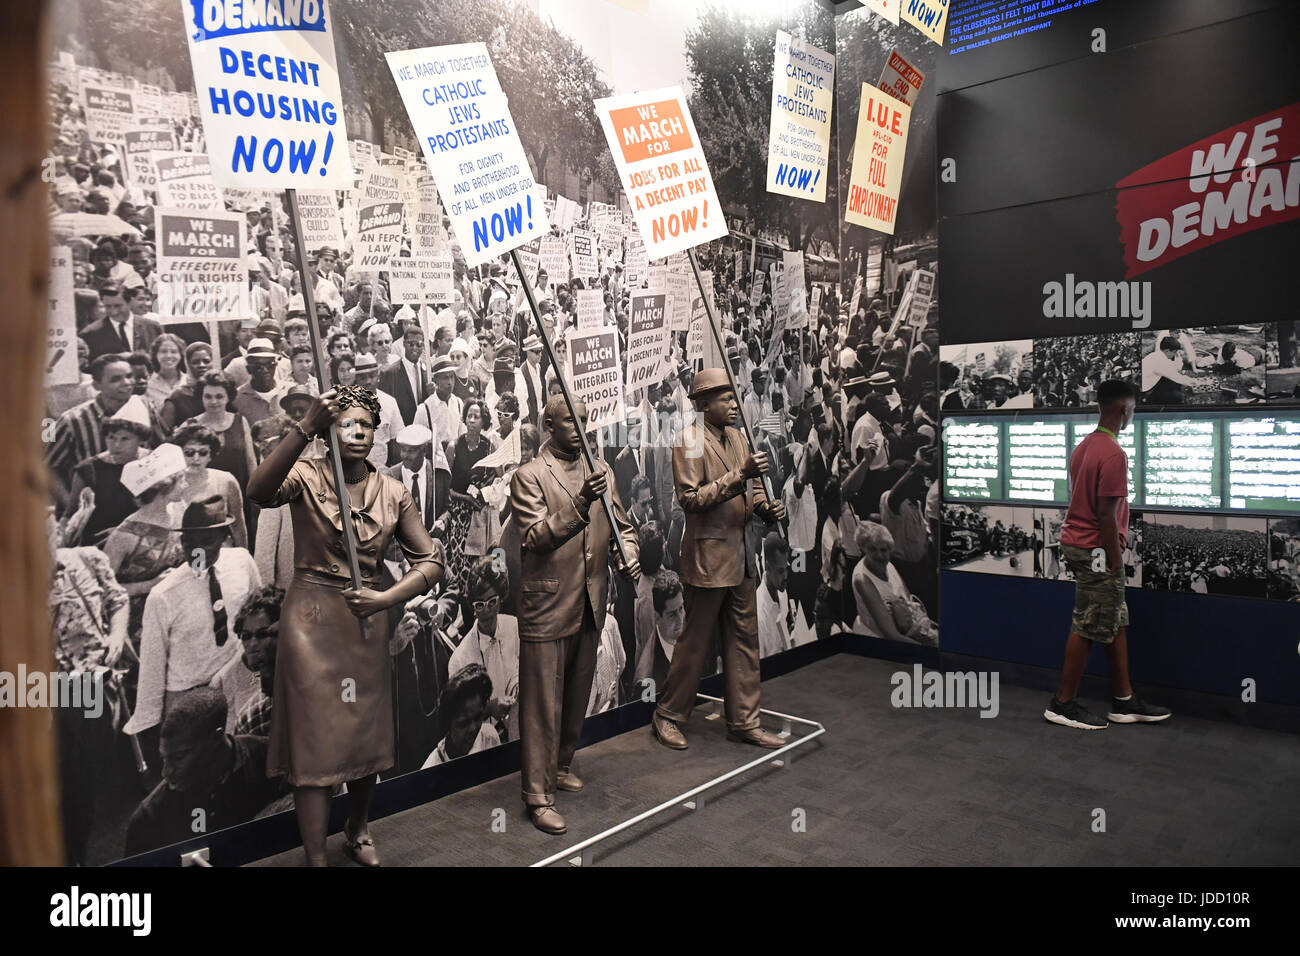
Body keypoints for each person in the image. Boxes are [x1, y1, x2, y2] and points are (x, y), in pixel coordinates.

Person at [246, 384, 445, 867]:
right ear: (329, 431)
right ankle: (315, 856)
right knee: (315, 746)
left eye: (365, 425)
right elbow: (257, 491)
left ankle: (357, 828)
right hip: (310, 624)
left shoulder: (393, 492)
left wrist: (385, 598)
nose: (356, 432)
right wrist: (303, 428)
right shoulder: (307, 476)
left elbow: (431, 561)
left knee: (363, 736)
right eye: (344, 424)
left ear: (377, 434)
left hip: (366, 623)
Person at [510, 396, 640, 834]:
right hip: (547, 604)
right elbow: (537, 537)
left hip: (590, 600)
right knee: (542, 704)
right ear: (548, 424)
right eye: (571, 421)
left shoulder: (600, 471)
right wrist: (582, 500)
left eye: (585, 420)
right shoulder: (527, 477)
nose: (581, 427)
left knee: (577, 696)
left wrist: (631, 554)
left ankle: (561, 765)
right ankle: (537, 794)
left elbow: (623, 526)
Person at [651, 368, 786, 751]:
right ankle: (668, 714)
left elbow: (754, 490)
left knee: (745, 641)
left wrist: (765, 507)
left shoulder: (741, 438)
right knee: (695, 643)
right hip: (708, 559)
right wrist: (737, 477)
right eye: (725, 398)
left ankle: (744, 721)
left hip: (742, 556)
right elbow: (690, 501)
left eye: (732, 397)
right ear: (703, 404)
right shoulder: (688, 441)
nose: (733, 404)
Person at [1046, 380, 1171, 729]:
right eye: (1133, 409)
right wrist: (1116, 562)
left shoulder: (1085, 445)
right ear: (1124, 410)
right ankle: (1062, 703)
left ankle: (1124, 699)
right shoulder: (1114, 453)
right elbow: (1105, 515)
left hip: (1081, 543)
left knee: (1113, 617)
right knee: (1088, 623)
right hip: (1096, 549)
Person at [123, 687, 287, 858]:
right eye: (164, 758)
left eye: (178, 757)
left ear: (216, 739)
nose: (166, 772)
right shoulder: (149, 820)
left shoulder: (277, 762)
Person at [171, 422, 249, 550]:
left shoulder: (226, 480)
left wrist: (243, 556)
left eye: (203, 452)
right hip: (181, 552)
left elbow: (238, 527)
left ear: (210, 455)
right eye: (189, 452)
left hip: (219, 551)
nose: (196, 458)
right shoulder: (170, 483)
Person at [181, 371, 257, 494]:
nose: (213, 401)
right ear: (201, 397)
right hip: (202, 496)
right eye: (208, 396)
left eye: (219, 396)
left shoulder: (241, 422)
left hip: (238, 492)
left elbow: (251, 462)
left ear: (228, 397)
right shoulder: (190, 425)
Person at [420, 664, 499, 767]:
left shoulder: (489, 737)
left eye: (478, 717)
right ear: (448, 725)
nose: (472, 728)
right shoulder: (431, 768)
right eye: (463, 723)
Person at [1141, 335, 1197, 405]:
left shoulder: (1156, 355)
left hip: (1146, 383)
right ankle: (1148, 401)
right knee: (1177, 396)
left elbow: (1173, 369)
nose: (1175, 355)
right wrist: (1194, 382)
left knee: (1174, 384)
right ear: (1167, 351)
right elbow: (1177, 377)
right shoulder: (1160, 361)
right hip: (1146, 390)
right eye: (1174, 352)